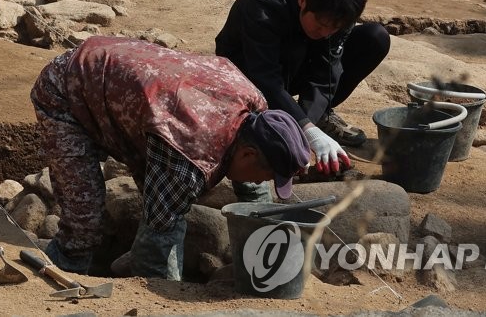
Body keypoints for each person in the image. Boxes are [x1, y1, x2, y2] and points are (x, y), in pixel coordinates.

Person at [31, 35, 311, 280]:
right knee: (85, 224)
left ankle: (126, 258)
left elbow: (253, 193)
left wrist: (263, 246)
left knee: (169, 198)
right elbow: (159, 248)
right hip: (67, 89)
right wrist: (170, 298)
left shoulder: (256, 110)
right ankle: (57, 277)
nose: (266, 182)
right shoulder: (189, 153)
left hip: (130, 78)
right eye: (268, 176)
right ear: (248, 154)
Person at [215, 0, 391, 176]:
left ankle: (317, 118)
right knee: (288, 64)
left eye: (334, 28)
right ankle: (274, 120)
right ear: (302, 0)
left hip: (296, 65)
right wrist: (306, 130)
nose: (326, 33)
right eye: (321, 24)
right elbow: (265, 78)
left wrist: (308, 127)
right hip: (248, 72)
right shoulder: (262, 4)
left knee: (375, 38)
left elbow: (326, 72)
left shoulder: (336, 14)